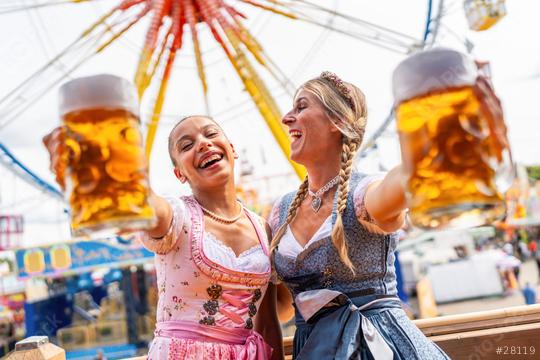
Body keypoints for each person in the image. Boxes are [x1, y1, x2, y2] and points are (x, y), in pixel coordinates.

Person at [44, 115, 284, 359]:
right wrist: (96, 159)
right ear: (179, 173)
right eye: (187, 145)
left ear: (232, 149)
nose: (202, 144)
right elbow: (143, 203)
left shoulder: (263, 229)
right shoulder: (177, 216)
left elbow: (267, 323)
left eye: (210, 134)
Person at [268, 72, 449, 359]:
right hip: (313, 349)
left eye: (301, 107)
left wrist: (433, 139)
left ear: (337, 122)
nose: (286, 118)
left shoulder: (362, 193)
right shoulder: (281, 210)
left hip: (378, 345)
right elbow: (278, 308)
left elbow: (398, 185)